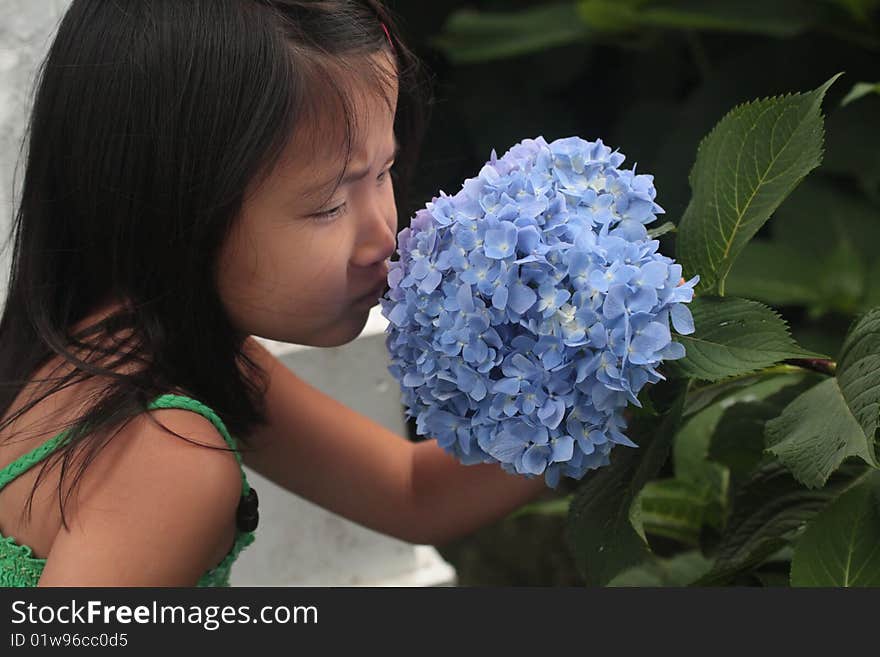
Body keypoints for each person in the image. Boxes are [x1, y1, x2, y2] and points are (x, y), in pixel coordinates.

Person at [0, 0, 548, 587]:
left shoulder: (123, 345)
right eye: (328, 206)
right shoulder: (165, 454)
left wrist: (582, 381)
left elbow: (412, 494)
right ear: (173, 213)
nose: (381, 236)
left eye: (383, 172)